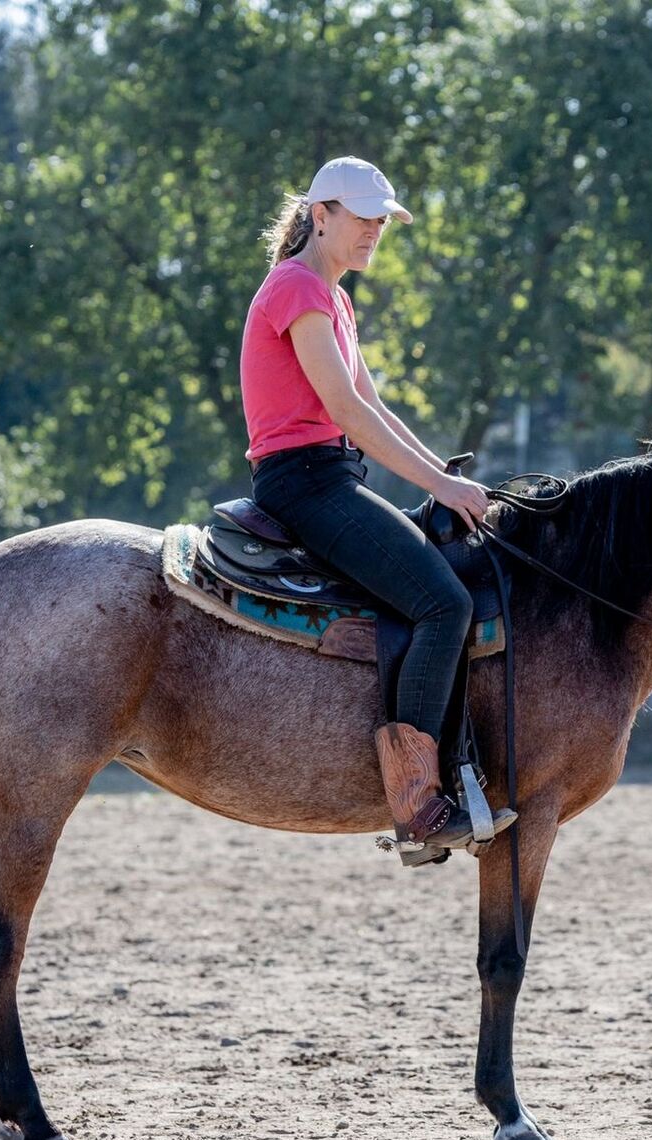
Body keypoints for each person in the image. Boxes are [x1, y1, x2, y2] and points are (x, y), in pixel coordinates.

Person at [239, 155, 512, 857]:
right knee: (444, 605)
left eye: (381, 222)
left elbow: (376, 409)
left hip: (329, 477)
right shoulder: (297, 287)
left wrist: (437, 474)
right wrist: (445, 489)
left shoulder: (333, 296)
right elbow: (345, 410)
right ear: (320, 215)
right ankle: (419, 806)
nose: (374, 232)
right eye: (363, 219)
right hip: (305, 483)